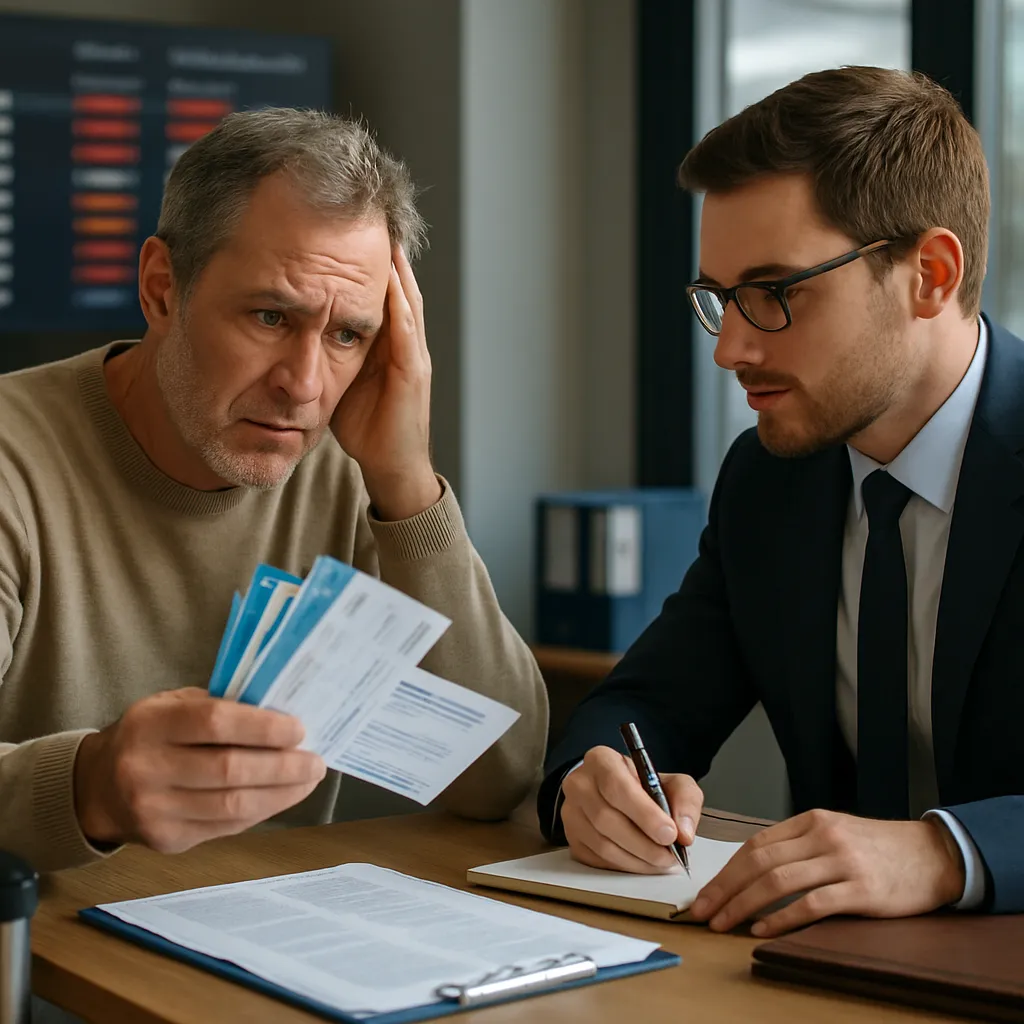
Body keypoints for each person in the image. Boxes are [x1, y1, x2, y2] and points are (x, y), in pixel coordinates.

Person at [540, 66, 1024, 934]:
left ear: (930, 275)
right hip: (815, 967)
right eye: (722, 298)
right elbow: (646, 703)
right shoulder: (770, 480)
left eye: (775, 293)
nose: (729, 350)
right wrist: (594, 783)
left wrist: (946, 852)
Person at [0, 108, 547, 872]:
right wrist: (91, 786)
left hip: (262, 933)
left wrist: (407, 483)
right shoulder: (14, 460)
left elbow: (499, 776)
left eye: (348, 334)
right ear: (162, 289)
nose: (304, 385)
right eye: (269, 316)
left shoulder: (353, 474)